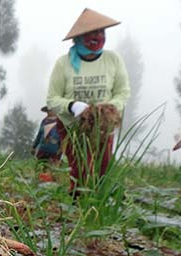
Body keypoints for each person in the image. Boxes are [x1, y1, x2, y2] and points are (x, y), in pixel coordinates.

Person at [46, 8, 130, 192]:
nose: (98, 37)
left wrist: (110, 107)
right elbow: (52, 99)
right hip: (72, 125)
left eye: (101, 32)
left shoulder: (112, 59)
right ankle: (78, 204)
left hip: (103, 124)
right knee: (81, 168)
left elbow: (123, 92)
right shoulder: (64, 63)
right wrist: (72, 106)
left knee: (103, 165)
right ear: (79, 37)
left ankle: (100, 203)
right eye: (92, 33)